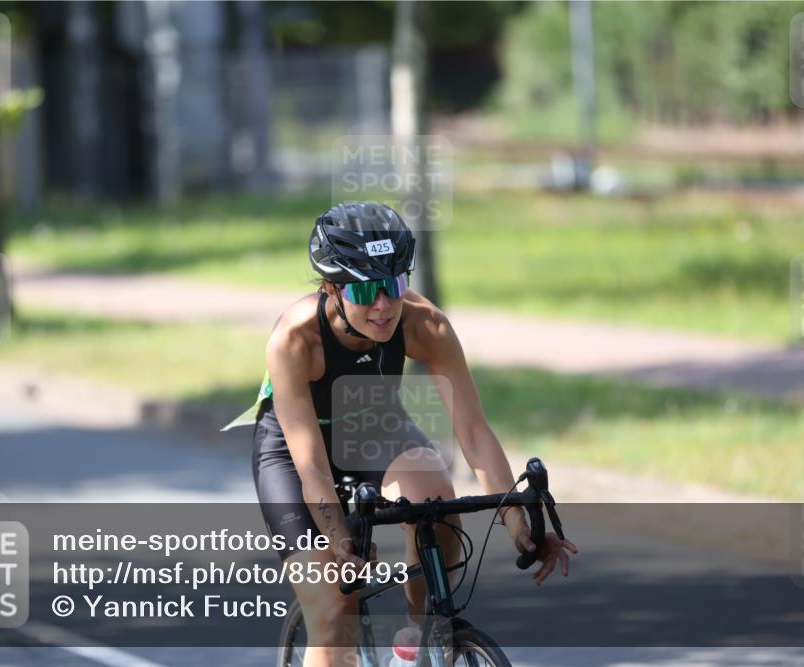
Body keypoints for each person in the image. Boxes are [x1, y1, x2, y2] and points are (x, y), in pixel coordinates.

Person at [229, 201, 577, 666]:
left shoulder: (424, 323)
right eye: (367, 289)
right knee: (335, 613)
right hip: (294, 455)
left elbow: (473, 433)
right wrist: (340, 542)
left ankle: (419, 640)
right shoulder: (295, 340)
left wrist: (519, 526)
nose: (383, 305)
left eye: (394, 284)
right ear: (332, 287)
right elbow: (311, 463)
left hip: (373, 426)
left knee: (435, 498)